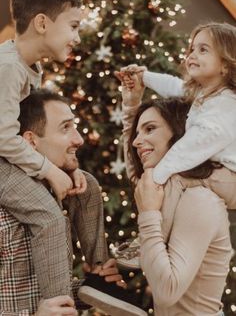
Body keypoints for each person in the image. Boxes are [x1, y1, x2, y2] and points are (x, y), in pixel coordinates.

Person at [0, 89, 146, 316]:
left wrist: (86, 288)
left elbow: (29, 292)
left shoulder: (57, 192)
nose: (79, 139)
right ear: (31, 141)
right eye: (65, 128)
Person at [0, 0, 87, 300]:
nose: (77, 37)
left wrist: (63, 165)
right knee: (48, 218)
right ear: (41, 23)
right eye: (74, 26)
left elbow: (27, 134)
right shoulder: (8, 68)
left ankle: (97, 273)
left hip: (7, 158)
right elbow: (5, 139)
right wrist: (48, 170)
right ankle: (58, 302)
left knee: (86, 186)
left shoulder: (28, 68)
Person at [120, 73, 234, 315]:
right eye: (137, 134)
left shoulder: (199, 199)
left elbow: (166, 290)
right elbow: (136, 175)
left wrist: (149, 215)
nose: (136, 142)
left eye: (150, 129)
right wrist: (131, 105)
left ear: (181, 135)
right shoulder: (170, 187)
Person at [119, 22, 236, 185]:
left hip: (229, 177)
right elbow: (174, 86)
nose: (192, 55)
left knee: (179, 181)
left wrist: (155, 179)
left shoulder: (225, 105)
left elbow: (189, 148)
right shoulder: (204, 93)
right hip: (214, 169)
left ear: (225, 64)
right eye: (192, 49)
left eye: (203, 50)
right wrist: (144, 77)